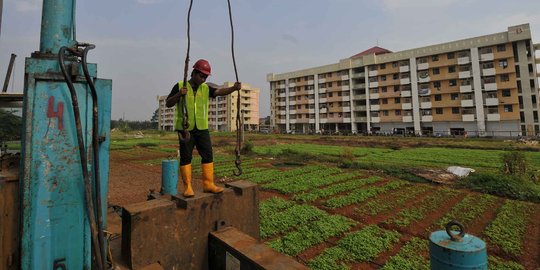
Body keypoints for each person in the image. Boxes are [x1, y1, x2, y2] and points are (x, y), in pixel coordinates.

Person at [166, 59, 241, 197]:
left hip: (202, 128)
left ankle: (208, 184)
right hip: (185, 129)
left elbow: (219, 91)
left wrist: (233, 88)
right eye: (201, 76)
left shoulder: (206, 88)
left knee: (208, 154)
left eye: (205, 77)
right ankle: (188, 187)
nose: (203, 79)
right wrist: (179, 94)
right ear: (193, 73)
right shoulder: (180, 85)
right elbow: (168, 103)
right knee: (186, 157)